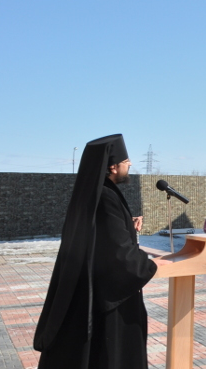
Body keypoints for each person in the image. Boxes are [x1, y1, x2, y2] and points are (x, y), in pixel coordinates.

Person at [34, 134, 162, 369]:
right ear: (113, 166)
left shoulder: (99, 192)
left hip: (92, 290)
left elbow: (100, 236)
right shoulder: (105, 196)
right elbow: (119, 253)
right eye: (126, 160)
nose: (130, 164)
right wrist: (150, 265)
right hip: (107, 301)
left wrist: (127, 226)